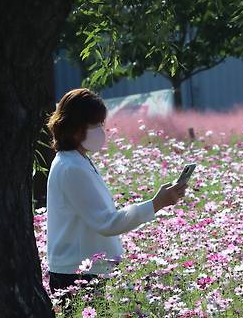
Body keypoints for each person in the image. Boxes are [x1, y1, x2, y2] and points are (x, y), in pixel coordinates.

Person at [45, 88, 186, 306]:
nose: (101, 131)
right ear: (74, 128)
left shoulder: (78, 161)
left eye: (102, 124)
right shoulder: (71, 167)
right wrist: (156, 204)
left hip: (89, 268)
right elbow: (107, 222)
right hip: (76, 274)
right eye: (95, 125)